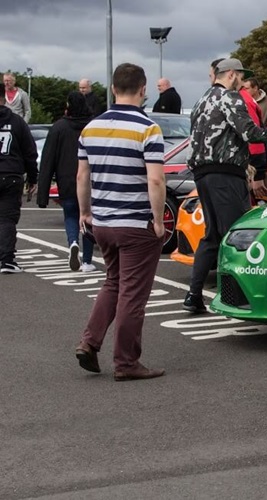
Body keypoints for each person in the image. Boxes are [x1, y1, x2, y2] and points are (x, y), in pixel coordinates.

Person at [74, 62, 167, 380]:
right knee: (133, 294)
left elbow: (82, 176)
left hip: (103, 222)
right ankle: (126, 363)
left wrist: (86, 213)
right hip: (135, 223)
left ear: (113, 89)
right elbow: (155, 181)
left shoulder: (91, 128)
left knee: (113, 282)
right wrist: (158, 220)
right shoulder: (148, 129)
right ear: (143, 90)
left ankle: (89, 342)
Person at [183, 58, 267, 313]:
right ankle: (237, 296)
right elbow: (249, 132)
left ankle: (194, 295)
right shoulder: (230, 98)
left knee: (212, 235)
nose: (242, 80)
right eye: (240, 75)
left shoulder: (201, 100)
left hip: (202, 173)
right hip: (226, 173)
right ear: (230, 74)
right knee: (236, 235)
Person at [36, 91, 96, 272]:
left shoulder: (59, 127)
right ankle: (87, 261)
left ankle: (72, 243)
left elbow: (48, 160)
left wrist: (42, 193)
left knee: (70, 215)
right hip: (90, 180)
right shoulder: (92, 126)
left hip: (66, 180)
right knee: (87, 218)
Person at [0, 91, 38, 274]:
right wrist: (33, 178)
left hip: (10, 173)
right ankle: (7, 260)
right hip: (11, 174)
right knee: (7, 219)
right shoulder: (16, 121)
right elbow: (30, 152)